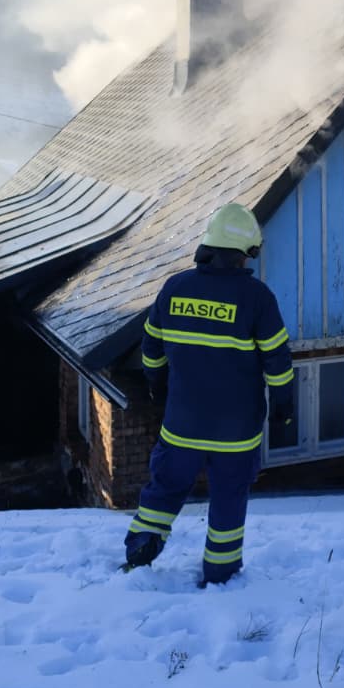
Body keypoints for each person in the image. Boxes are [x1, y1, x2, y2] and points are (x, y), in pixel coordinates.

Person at [123, 203, 294, 584]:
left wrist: (158, 385)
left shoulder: (174, 288)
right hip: (237, 432)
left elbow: (151, 350)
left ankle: (141, 549)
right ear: (244, 252)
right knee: (228, 499)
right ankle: (220, 574)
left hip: (181, 424)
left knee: (165, 488)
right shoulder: (257, 298)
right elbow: (278, 363)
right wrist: (284, 406)